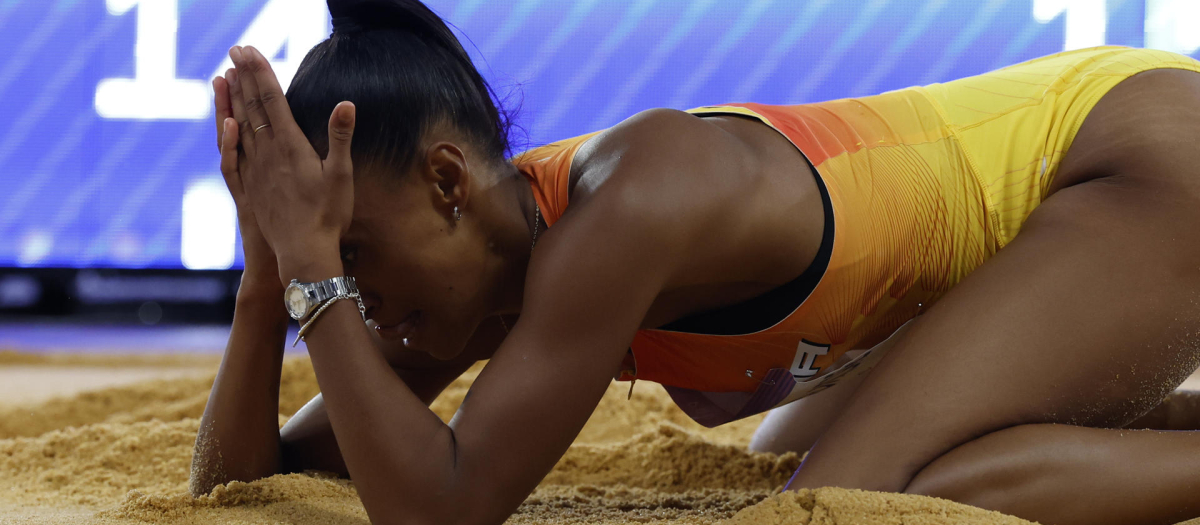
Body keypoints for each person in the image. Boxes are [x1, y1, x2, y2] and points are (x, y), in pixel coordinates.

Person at [187, 1, 1200, 524]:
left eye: (353, 252)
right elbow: (247, 484)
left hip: (1138, 155)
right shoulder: (469, 279)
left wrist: (314, 273)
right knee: (781, 463)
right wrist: (269, 275)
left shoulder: (629, 206)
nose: (351, 299)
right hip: (1058, 209)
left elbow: (444, 508)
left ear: (450, 184)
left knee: (840, 505)